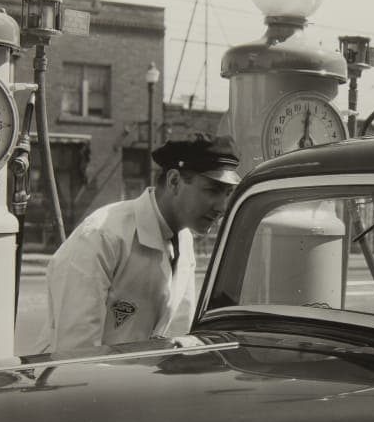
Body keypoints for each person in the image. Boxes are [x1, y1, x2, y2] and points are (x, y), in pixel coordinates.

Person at [34, 133, 240, 353]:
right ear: (174, 181)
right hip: (78, 381)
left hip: (140, 380)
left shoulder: (184, 238)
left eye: (227, 193)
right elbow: (75, 352)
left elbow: (178, 335)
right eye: (213, 190)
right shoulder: (101, 236)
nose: (222, 206)